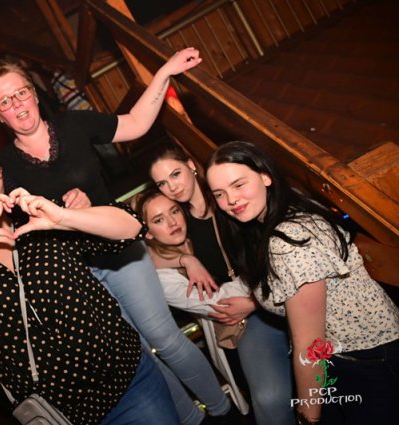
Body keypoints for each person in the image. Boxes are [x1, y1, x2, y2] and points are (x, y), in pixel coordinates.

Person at [0, 53, 243, 425]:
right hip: (78, 276)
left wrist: (164, 72)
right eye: (5, 101)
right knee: (139, 355)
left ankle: (222, 412)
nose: (17, 104)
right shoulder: (4, 166)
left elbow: (136, 122)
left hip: (119, 252)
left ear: (34, 94)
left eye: (21, 92)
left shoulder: (73, 124)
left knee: (165, 339)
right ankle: (191, 420)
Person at [0, 148, 181, 425]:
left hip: (130, 386)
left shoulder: (41, 224)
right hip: (60, 417)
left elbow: (131, 227)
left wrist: (62, 216)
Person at [205, 141, 399, 425]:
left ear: (265, 176)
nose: (231, 200)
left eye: (238, 185)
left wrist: (308, 418)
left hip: (368, 362)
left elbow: (310, 347)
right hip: (359, 357)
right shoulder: (287, 210)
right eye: (219, 194)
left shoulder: (288, 242)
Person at [149, 147, 295, 425]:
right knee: (270, 398)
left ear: (191, 165)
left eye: (176, 174)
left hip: (270, 297)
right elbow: (147, 251)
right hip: (246, 320)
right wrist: (185, 258)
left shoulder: (232, 202)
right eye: (162, 183)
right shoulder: (178, 220)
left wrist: (253, 301)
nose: (172, 187)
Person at [132, 188, 252, 414]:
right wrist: (258, 279)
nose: (172, 222)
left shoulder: (204, 233)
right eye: (159, 220)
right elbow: (221, 303)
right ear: (148, 233)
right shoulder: (163, 278)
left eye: (174, 211)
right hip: (235, 337)